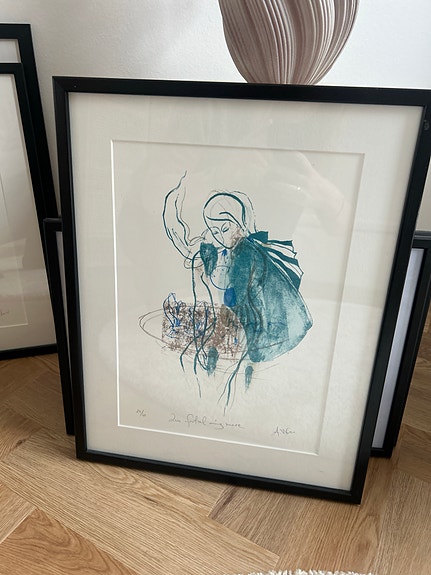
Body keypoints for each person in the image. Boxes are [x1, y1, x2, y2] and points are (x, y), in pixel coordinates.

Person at [162, 173, 313, 406]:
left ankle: (242, 390)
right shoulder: (224, 250)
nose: (219, 236)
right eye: (214, 231)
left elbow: (246, 297)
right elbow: (187, 248)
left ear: (239, 224)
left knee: (245, 360)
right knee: (219, 347)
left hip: (257, 318)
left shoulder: (248, 253)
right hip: (238, 313)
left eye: (224, 228)